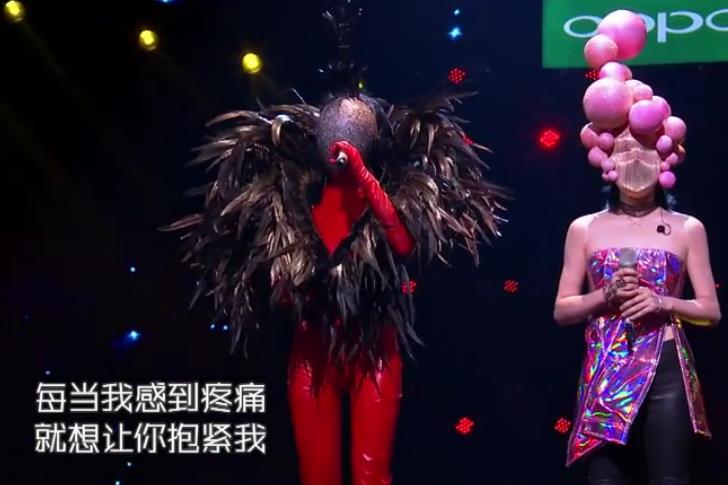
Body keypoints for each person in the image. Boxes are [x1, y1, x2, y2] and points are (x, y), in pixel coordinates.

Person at [164, 4, 505, 484]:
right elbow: (281, 292)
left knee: (370, 475)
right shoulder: (292, 204)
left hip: (374, 353)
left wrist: (364, 177)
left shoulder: (388, 195)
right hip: (313, 354)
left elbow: (402, 244)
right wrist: (287, 283)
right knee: (317, 475)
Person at [554, 10, 720, 485]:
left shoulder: (688, 228)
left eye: (644, 150)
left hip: (666, 367)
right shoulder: (584, 228)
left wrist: (663, 302)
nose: (635, 161)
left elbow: (710, 311)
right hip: (606, 366)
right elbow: (562, 310)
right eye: (624, 151)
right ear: (607, 157)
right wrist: (605, 296)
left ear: (662, 156)